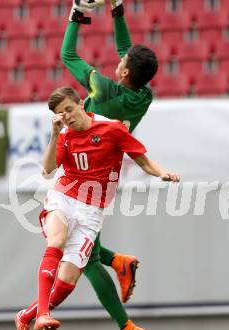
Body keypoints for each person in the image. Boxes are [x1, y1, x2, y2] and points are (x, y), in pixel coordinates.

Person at [14, 87, 180, 330]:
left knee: (66, 285)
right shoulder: (65, 135)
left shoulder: (111, 129)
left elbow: (141, 158)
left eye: (68, 109)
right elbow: (47, 171)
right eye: (59, 114)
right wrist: (55, 134)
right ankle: (42, 314)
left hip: (92, 212)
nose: (65, 117)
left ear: (81, 104)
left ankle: (25, 318)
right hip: (64, 197)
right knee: (56, 239)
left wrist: (161, 172)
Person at [62, 0, 159, 306]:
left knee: (84, 255)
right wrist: (117, 9)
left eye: (123, 60)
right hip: (106, 172)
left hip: (85, 172)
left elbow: (67, 55)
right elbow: (126, 50)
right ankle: (120, 262)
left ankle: (127, 328)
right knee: (78, 242)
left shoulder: (101, 89)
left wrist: (78, 13)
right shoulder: (144, 94)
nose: (119, 59)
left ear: (125, 70)